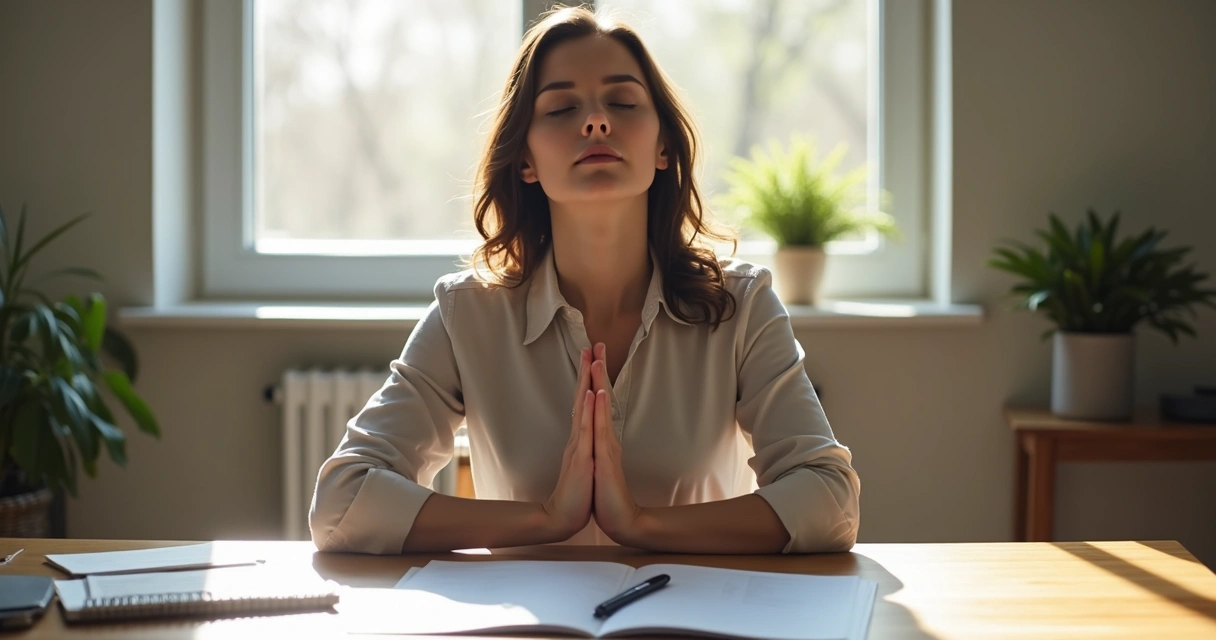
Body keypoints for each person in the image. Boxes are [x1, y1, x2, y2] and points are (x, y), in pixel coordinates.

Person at [310, 6, 859, 555]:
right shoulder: (469, 315)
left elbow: (831, 503)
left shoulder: (741, 307)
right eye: (561, 108)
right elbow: (340, 504)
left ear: (663, 146)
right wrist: (546, 520)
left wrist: (640, 525)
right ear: (525, 158)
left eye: (622, 102)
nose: (595, 122)